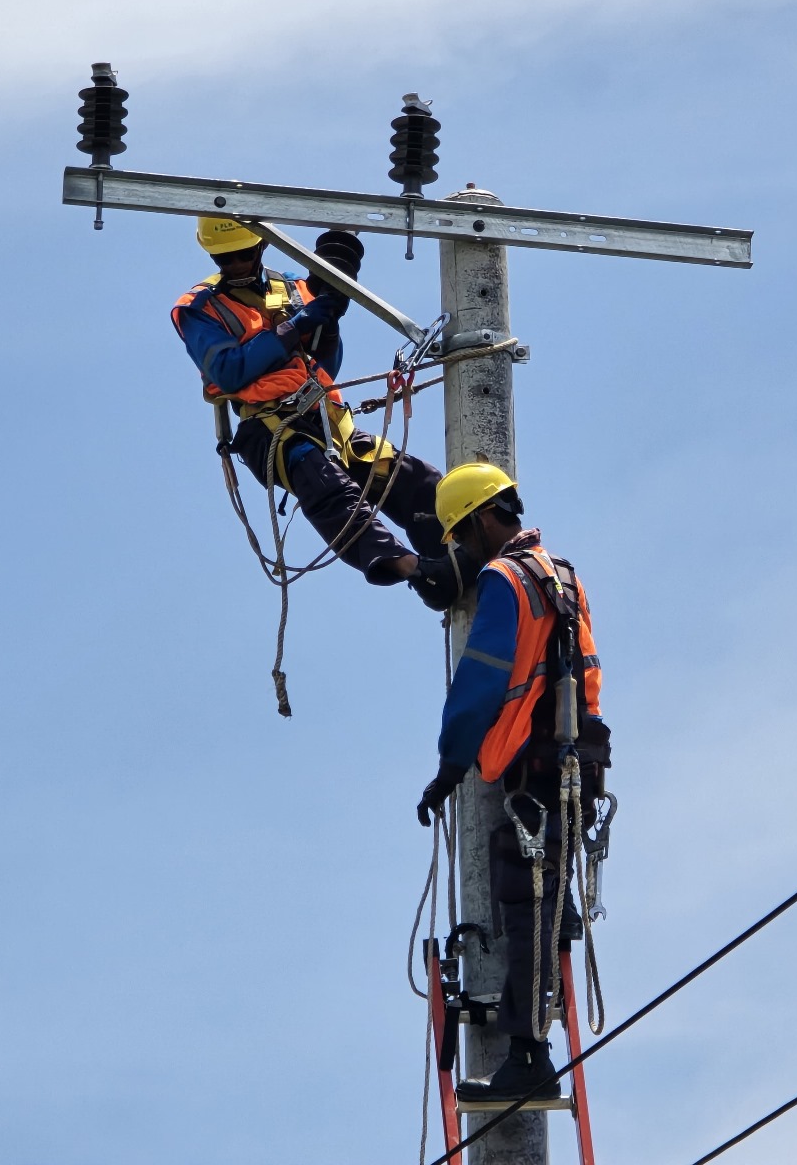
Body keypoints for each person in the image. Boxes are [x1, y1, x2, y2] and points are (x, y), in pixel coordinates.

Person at [416, 462, 612, 1100]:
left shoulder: (505, 580)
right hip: (579, 758)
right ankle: (559, 932)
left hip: (535, 764)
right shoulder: (564, 575)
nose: (460, 555)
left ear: (476, 522)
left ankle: (528, 1056)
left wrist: (449, 767)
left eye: (458, 538)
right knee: (545, 897)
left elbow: (481, 681)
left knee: (523, 895)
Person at [171, 218, 475, 608]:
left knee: (415, 480)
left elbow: (325, 365)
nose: (235, 264)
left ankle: (462, 558)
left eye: (243, 254)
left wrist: (326, 326)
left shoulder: (294, 288)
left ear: (261, 247)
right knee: (329, 488)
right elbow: (230, 371)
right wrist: (297, 325)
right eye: (225, 258)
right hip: (270, 428)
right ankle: (416, 571)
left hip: (328, 419)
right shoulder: (199, 307)